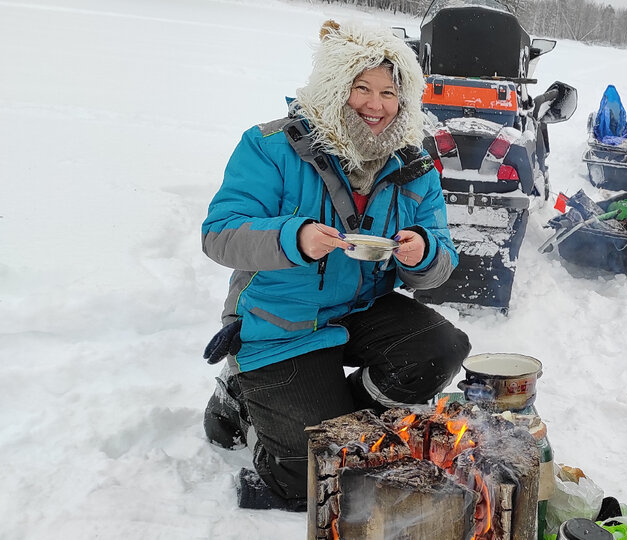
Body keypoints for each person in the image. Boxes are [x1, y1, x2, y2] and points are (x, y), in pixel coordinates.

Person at [199, 19, 471, 510]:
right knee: (313, 478)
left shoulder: (414, 165)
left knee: (441, 347)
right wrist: (295, 237)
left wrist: (424, 253)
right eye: (361, 87)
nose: (375, 105)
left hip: (360, 308)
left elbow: (443, 259)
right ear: (333, 86)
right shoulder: (272, 146)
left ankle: (340, 415)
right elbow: (219, 235)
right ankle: (240, 399)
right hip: (279, 320)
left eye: (389, 92)